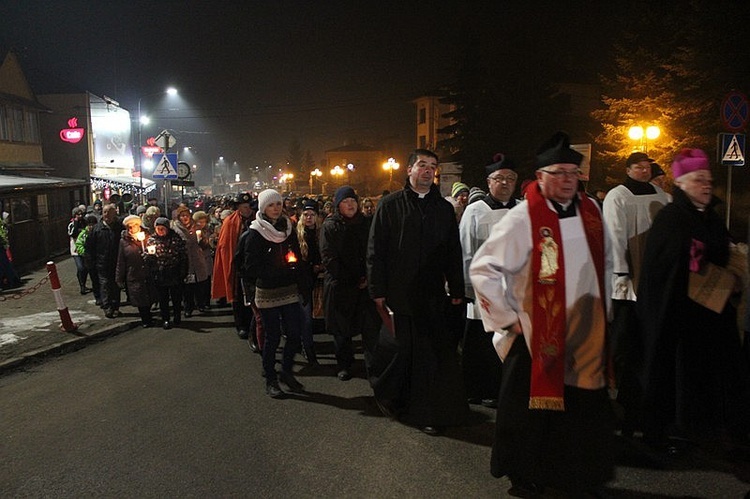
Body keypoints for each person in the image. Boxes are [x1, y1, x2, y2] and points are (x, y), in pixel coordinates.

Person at [470, 132, 614, 496]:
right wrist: (506, 318)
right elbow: (483, 268)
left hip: (585, 327)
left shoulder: (592, 212)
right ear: (541, 176)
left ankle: (574, 470)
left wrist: (606, 307)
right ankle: (524, 472)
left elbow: (606, 261)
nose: (568, 180)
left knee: (580, 407)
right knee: (528, 411)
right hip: (536, 330)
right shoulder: (523, 218)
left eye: (572, 173)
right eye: (559, 173)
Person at [637, 148, 750, 454]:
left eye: (709, 179)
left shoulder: (711, 217)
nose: (706, 184)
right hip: (675, 315)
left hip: (711, 312)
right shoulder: (671, 218)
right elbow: (672, 264)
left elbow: (722, 253)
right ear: (682, 183)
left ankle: (707, 427)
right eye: (699, 179)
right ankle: (664, 434)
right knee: (670, 373)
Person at [367, 148, 467, 436]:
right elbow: (376, 252)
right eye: (422, 165)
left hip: (432, 296)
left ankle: (426, 411)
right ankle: (389, 395)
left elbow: (452, 251)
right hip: (398, 295)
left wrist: (457, 288)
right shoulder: (390, 205)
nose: (428, 170)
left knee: (429, 355)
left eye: (432, 166)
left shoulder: (443, 209)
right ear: (409, 170)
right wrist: (378, 291)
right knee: (399, 351)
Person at [602, 150, 669, 437]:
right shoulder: (618, 195)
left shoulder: (660, 194)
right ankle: (619, 395)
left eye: (647, 167)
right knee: (624, 341)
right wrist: (620, 270)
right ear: (628, 170)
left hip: (653, 277)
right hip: (626, 281)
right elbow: (614, 233)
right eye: (638, 167)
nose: (644, 171)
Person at [458, 152, 519, 408]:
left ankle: (501, 389)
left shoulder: (523, 209)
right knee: (479, 342)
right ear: (488, 182)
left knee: (508, 343)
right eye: (499, 178)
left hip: (513, 292)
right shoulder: (475, 210)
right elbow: (465, 250)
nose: (505, 183)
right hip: (482, 290)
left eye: (510, 178)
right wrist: (469, 287)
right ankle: (474, 388)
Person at [239, 189, 305, 398]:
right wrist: (276, 269)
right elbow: (250, 266)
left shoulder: (288, 228)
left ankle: (286, 371)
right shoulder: (255, 233)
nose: (275, 208)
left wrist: (298, 274)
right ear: (263, 208)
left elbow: (296, 254)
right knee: (272, 336)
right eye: (271, 205)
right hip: (267, 291)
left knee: (295, 333)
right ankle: (270, 378)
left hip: (289, 289)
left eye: (278, 204)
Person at [321, 186, 380, 381]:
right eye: (346, 202)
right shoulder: (330, 226)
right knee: (342, 331)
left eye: (353, 201)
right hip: (342, 286)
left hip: (364, 286)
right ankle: (344, 364)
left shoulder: (366, 224)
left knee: (370, 329)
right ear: (338, 205)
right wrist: (354, 280)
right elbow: (330, 259)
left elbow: (373, 252)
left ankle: (373, 366)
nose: (350, 205)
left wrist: (367, 278)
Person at [211, 193, 256, 338]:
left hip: (254, 265)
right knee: (238, 297)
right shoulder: (230, 222)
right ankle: (241, 325)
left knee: (254, 297)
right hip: (238, 265)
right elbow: (224, 246)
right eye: (244, 207)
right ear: (238, 208)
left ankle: (253, 325)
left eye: (249, 206)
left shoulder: (258, 219)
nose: (247, 209)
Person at [145, 217, 188, 329]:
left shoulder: (175, 239)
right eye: (158, 228)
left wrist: (183, 271)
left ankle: (177, 315)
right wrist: (149, 258)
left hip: (174, 272)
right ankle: (166, 319)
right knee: (163, 298)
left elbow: (183, 255)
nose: (160, 231)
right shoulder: (152, 240)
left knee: (176, 297)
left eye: (162, 228)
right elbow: (146, 255)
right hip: (160, 273)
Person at [296, 198, 323, 366]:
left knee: (314, 315)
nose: (309, 217)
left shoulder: (322, 233)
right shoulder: (297, 234)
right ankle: (308, 347)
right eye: (306, 214)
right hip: (303, 281)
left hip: (319, 280)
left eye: (312, 214)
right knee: (305, 317)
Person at [116, 215, 155, 327]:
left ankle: (149, 316)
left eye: (134, 225)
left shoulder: (147, 237)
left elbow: (154, 251)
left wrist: (150, 255)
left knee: (149, 296)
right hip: (134, 273)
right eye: (130, 226)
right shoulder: (124, 241)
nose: (132, 228)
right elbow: (121, 260)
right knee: (139, 298)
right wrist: (119, 277)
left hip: (147, 273)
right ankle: (145, 319)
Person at [85, 203, 123, 318]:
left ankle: (115, 306)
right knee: (105, 284)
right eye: (105, 212)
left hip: (116, 262)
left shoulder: (119, 228)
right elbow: (89, 247)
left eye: (109, 212)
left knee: (116, 285)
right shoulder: (97, 229)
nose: (106, 214)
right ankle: (107, 307)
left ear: (114, 214)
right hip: (102, 263)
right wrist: (90, 262)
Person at [172, 204, 210, 318]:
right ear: (179, 217)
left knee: (200, 284)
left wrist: (202, 240)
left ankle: (201, 304)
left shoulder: (196, 227)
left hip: (198, 259)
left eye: (187, 215)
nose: (185, 218)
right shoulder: (176, 229)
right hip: (186, 261)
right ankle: (188, 308)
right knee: (187, 287)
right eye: (182, 216)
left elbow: (205, 245)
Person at [76, 214, 100, 304]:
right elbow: (79, 244)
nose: (91, 226)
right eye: (89, 224)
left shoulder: (98, 232)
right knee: (94, 279)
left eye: (93, 224)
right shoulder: (84, 234)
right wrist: (85, 253)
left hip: (99, 259)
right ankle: (98, 297)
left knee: (101, 279)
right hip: (89, 260)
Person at [192, 211, 213, 312]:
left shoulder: (208, 231)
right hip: (198, 259)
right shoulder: (192, 231)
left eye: (203, 222)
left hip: (207, 258)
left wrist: (208, 242)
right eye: (199, 222)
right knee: (199, 283)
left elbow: (212, 243)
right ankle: (199, 302)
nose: (201, 224)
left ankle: (207, 301)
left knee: (207, 281)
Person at [68, 205, 90, 295]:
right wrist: (76, 223)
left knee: (85, 268)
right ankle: (81, 285)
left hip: (84, 248)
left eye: (81, 214)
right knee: (80, 267)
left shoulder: (85, 223)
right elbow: (72, 234)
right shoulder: (71, 224)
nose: (80, 216)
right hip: (75, 250)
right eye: (78, 214)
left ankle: (83, 285)